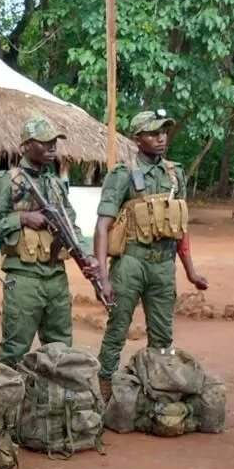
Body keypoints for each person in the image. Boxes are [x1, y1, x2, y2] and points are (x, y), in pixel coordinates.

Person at [93, 110, 208, 394]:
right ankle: (104, 390)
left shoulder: (175, 174)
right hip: (131, 263)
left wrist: (191, 271)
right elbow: (102, 227)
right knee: (117, 329)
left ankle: (156, 394)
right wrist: (102, 278)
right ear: (137, 139)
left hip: (163, 266)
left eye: (164, 132)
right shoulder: (122, 174)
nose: (161, 138)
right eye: (153, 133)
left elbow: (180, 226)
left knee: (162, 336)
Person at [0, 114, 103, 367]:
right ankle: (8, 402)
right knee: (14, 350)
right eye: (44, 142)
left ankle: (55, 404)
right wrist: (22, 219)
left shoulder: (55, 184)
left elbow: (71, 225)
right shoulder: (6, 181)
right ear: (26, 146)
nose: (52, 146)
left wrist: (87, 255)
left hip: (56, 276)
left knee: (61, 350)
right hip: (24, 278)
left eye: (54, 141)